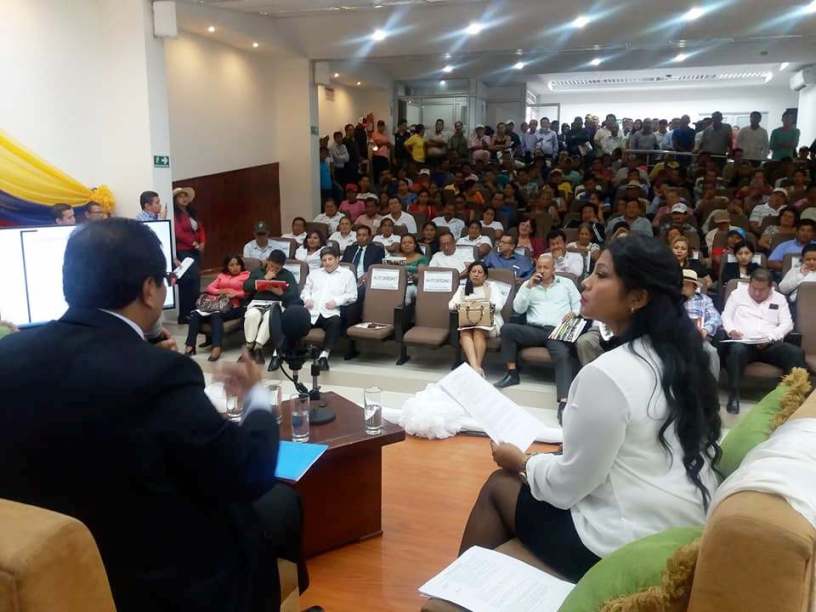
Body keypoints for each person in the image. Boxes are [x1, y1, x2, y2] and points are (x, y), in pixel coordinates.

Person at [0, 218, 306, 611]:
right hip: (154, 579)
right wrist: (256, 397)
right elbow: (246, 472)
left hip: (47, 568)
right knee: (279, 502)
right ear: (149, 289)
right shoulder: (159, 374)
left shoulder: (9, 356)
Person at [462, 234, 721, 583]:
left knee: (499, 485)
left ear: (637, 298)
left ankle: (457, 597)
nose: (585, 281)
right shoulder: (694, 355)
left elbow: (569, 487)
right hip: (685, 522)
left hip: (623, 545)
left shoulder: (606, 375)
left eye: (601, 275)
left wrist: (522, 462)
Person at [494, 254, 581, 411]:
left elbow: (579, 304)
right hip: (534, 330)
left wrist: (574, 313)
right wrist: (528, 288)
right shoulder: (528, 285)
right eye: (539, 267)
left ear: (553, 269)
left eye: (545, 267)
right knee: (507, 329)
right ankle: (512, 374)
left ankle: (564, 401)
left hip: (557, 331)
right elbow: (518, 309)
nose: (542, 270)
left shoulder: (566, 284)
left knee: (562, 355)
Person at [721, 267, 806, 414]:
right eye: (754, 288)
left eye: (762, 290)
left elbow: (787, 324)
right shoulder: (737, 295)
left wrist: (771, 337)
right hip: (744, 342)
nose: (757, 293)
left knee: (795, 353)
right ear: (749, 284)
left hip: (770, 343)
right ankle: (734, 395)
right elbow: (726, 316)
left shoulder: (779, 298)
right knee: (736, 351)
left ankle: (792, 397)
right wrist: (731, 330)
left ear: (771, 287)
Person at [185, 255, 250, 362]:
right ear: (227, 267)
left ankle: (216, 347)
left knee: (216, 315)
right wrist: (221, 291)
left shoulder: (246, 276)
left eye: (237, 264)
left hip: (235, 307)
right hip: (217, 305)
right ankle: (190, 346)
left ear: (241, 265)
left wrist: (235, 294)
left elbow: (248, 292)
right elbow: (210, 287)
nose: (235, 267)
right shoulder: (222, 276)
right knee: (195, 315)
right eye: (231, 265)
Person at [301, 247, 357, 370]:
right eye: (324, 260)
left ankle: (324, 356)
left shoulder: (347, 274)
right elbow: (305, 290)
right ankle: (292, 351)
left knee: (335, 322)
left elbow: (353, 295)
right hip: (312, 311)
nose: (327, 262)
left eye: (330, 259)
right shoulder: (315, 274)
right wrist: (307, 299)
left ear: (338, 259)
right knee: (296, 319)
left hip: (331, 312)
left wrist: (337, 301)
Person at [242, 250, 301, 367]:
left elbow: (294, 295)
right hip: (257, 303)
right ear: (267, 261)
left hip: (276, 304)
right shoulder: (258, 271)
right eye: (271, 265)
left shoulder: (287, 275)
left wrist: (280, 293)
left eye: (277, 268)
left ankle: (258, 348)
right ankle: (249, 347)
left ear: (282, 267)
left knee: (270, 317)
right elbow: (246, 286)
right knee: (252, 315)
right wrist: (265, 278)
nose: (273, 269)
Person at [448, 262, 506, 376]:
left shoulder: (491, 287)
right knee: (465, 332)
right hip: (468, 322)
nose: (476, 274)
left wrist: (477, 305)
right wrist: (461, 305)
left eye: (480, 272)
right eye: (473, 272)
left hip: (490, 321)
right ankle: (476, 368)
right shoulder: (463, 288)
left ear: (485, 276)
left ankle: (475, 367)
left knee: (478, 330)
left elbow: (499, 306)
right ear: (469, 274)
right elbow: (451, 305)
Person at [681, 269, 722, 382]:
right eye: (680, 284)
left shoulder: (704, 300)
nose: (682, 287)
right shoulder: (671, 299)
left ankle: (712, 389)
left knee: (711, 352)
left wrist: (705, 330)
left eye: (686, 285)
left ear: (694, 287)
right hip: (674, 338)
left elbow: (716, 317)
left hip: (698, 337)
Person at [173, 186, 204, 324]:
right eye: (180, 196)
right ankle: (185, 314)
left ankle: (194, 312)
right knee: (188, 281)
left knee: (196, 281)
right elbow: (178, 233)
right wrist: (194, 243)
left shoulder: (192, 212)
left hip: (195, 251)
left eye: (185, 196)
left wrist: (203, 243)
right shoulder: (175, 214)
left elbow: (201, 228)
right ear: (175, 199)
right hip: (184, 250)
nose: (184, 198)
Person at [398, 234, 430, 304]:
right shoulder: (395, 257)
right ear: (400, 245)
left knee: (407, 292)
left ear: (415, 245)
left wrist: (408, 275)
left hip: (413, 285)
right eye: (404, 243)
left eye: (410, 243)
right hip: (396, 284)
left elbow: (420, 275)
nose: (407, 245)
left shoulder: (422, 258)